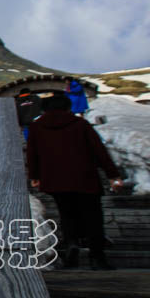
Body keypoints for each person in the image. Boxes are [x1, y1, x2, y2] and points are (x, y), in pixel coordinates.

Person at [27, 93, 124, 269]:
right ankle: (97, 257)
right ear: (67, 107)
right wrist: (113, 175)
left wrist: (34, 176)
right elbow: (99, 151)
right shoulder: (81, 124)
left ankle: (71, 245)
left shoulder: (36, 127)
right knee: (93, 216)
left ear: (44, 109)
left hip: (55, 180)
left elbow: (32, 154)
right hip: (85, 178)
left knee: (66, 214)